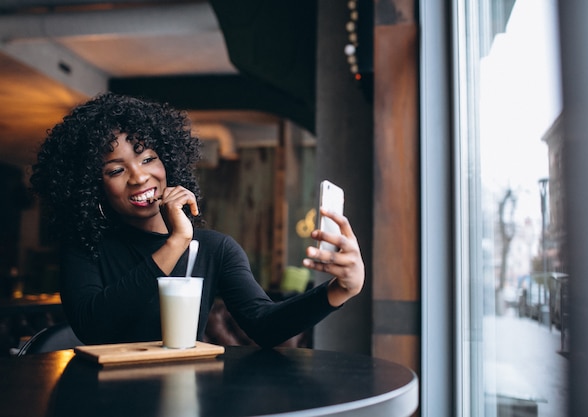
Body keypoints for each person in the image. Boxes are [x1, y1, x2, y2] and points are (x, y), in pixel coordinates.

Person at [30, 92, 365, 347]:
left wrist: (340, 289)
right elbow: (93, 325)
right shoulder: (85, 247)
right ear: (92, 186)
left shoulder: (216, 250)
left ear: (169, 162)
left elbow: (264, 325)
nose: (138, 176)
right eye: (116, 169)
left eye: (148, 158)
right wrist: (176, 242)